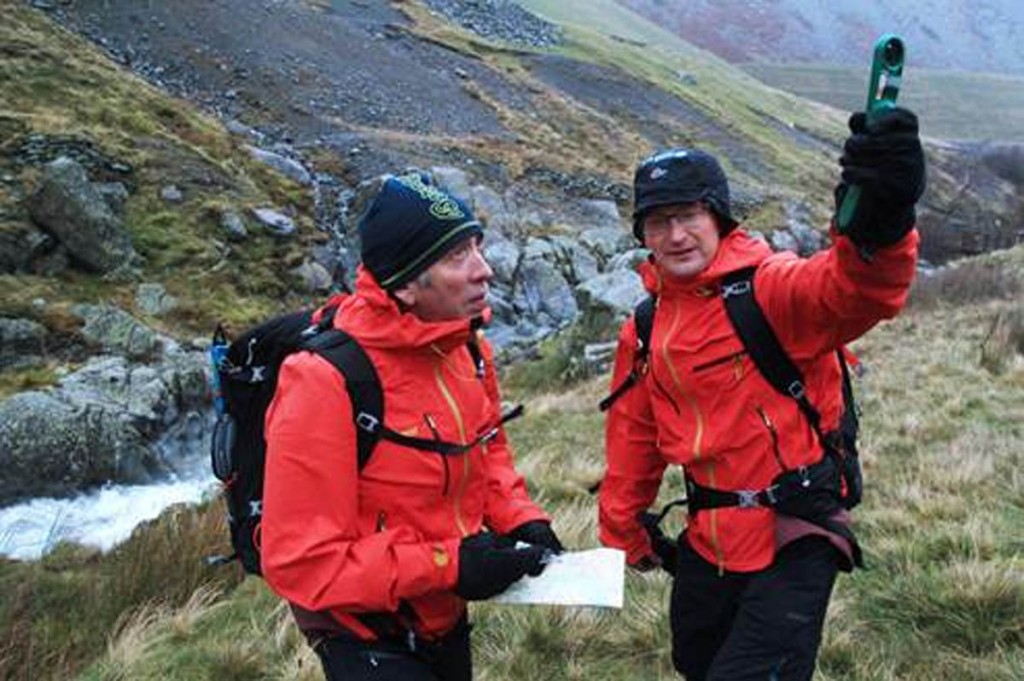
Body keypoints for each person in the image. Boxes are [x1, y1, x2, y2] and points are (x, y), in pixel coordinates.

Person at [598, 107, 925, 680]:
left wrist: (883, 218)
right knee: (695, 664)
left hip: (793, 532)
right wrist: (623, 530)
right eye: (657, 221)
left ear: (718, 217)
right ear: (642, 235)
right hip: (708, 536)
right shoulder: (645, 327)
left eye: (689, 215)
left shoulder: (770, 288)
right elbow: (635, 435)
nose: (674, 235)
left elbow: (858, 290)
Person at [260, 172, 564, 681]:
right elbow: (300, 563)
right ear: (403, 282)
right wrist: (452, 566)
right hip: (362, 632)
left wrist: (520, 519)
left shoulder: (467, 348)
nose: (484, 270)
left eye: (477, 247)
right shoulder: (323, 380)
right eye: (456, 257)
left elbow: (486, 458)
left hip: (442, 615)